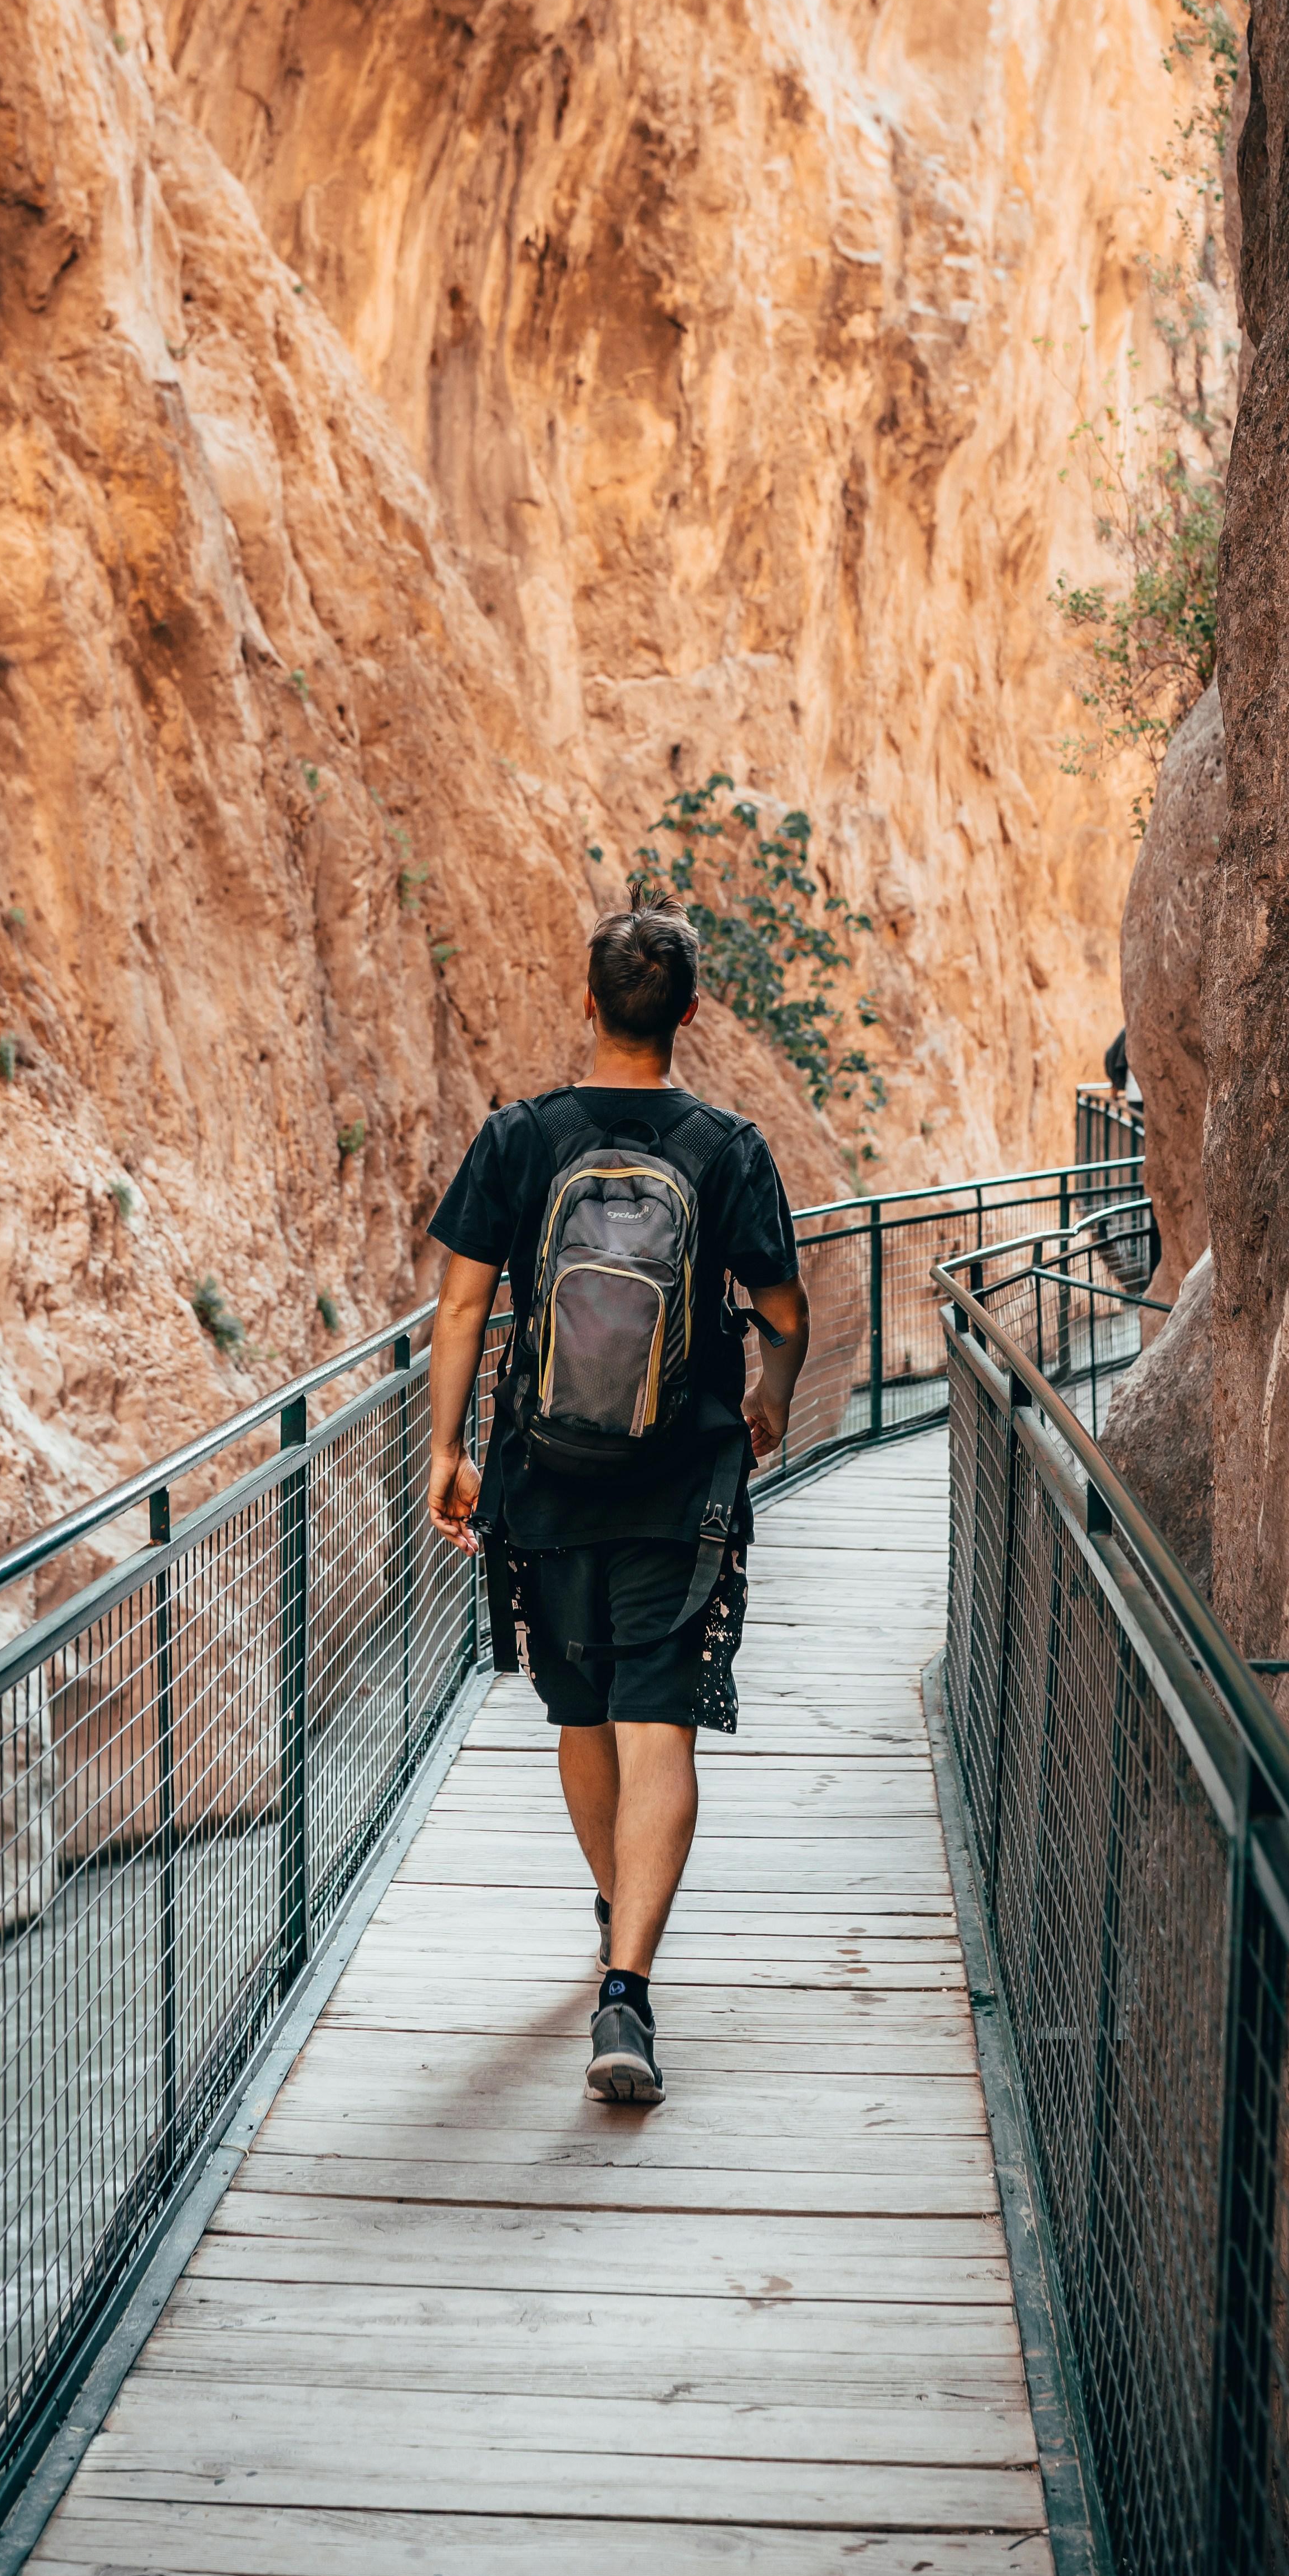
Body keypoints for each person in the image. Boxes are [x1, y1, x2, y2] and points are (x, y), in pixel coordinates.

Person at [422, 891, 810, 2106]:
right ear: (689, 1013)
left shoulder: (518, 1138)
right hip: (680, 1477)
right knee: (661, 1726)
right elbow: (786, 1313)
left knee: (579, 1715)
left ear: (585, 1002)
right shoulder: (728, 1146)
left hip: (541, 1476)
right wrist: (771, 1398)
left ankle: (611, 1912)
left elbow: (461, 1308)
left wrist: (446, 1452)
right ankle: (626, 1994)